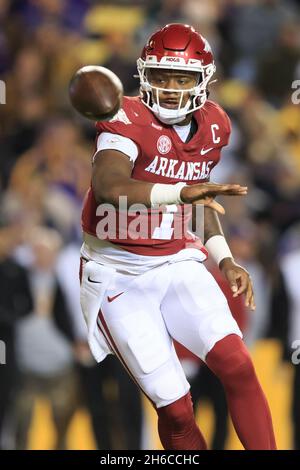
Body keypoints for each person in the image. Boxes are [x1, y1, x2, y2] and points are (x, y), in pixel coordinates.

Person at [79, 23, 276, 450]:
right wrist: (182, 192)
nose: (170, 88)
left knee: (238, 365)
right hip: (119, 276)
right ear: (143, 75)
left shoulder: (215, 126)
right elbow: (112, 186)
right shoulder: (124, 117)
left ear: (203, 80)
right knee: (176, 409)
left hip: (176, 262)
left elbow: (203, 200)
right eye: (161, 76)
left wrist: (224, 258)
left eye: (182, 78)